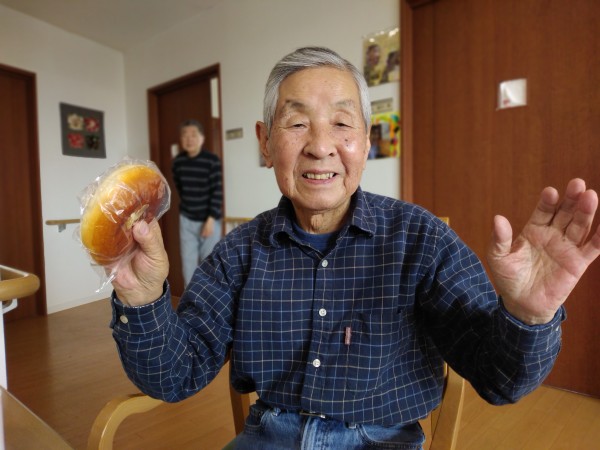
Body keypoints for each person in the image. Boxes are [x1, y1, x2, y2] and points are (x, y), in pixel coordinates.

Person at [110, 47, 600, 449]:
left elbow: (499, 379)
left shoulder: (422, 239)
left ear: (366, 142)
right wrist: (143, 298)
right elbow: (175, 375)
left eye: (343, 124)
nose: (320, 145)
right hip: (269, 437)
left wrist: (529, 316)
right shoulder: (238, 253)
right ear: (265, 143)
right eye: (296, 123)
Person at [172, 119, 223, 285]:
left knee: (209, 266)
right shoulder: (178, 162)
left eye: (193, 135)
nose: (189, 139)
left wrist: (211, 219)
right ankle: (190, 301)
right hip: (187, 219)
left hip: (209, 220)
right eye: (185, 135)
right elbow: (180, 188)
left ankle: (209, 300)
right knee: (188, 267)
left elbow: (217, 191)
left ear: (202, 138)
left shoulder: (212, 160)